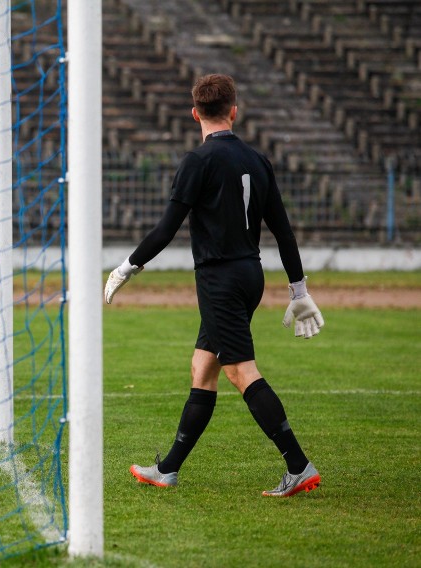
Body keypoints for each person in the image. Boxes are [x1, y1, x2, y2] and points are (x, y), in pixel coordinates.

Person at [104, 74, 325, 497]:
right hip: (250, 275)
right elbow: (284, 232)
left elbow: (167, 229)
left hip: (219, 280)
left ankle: (298, 466)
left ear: (194, 113)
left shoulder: (198, 161)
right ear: (234, 112)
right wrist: (299, 290)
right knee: (202, 369)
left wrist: (126, 267)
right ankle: (167, 468)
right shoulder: (259, 160)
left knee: (241, 372)